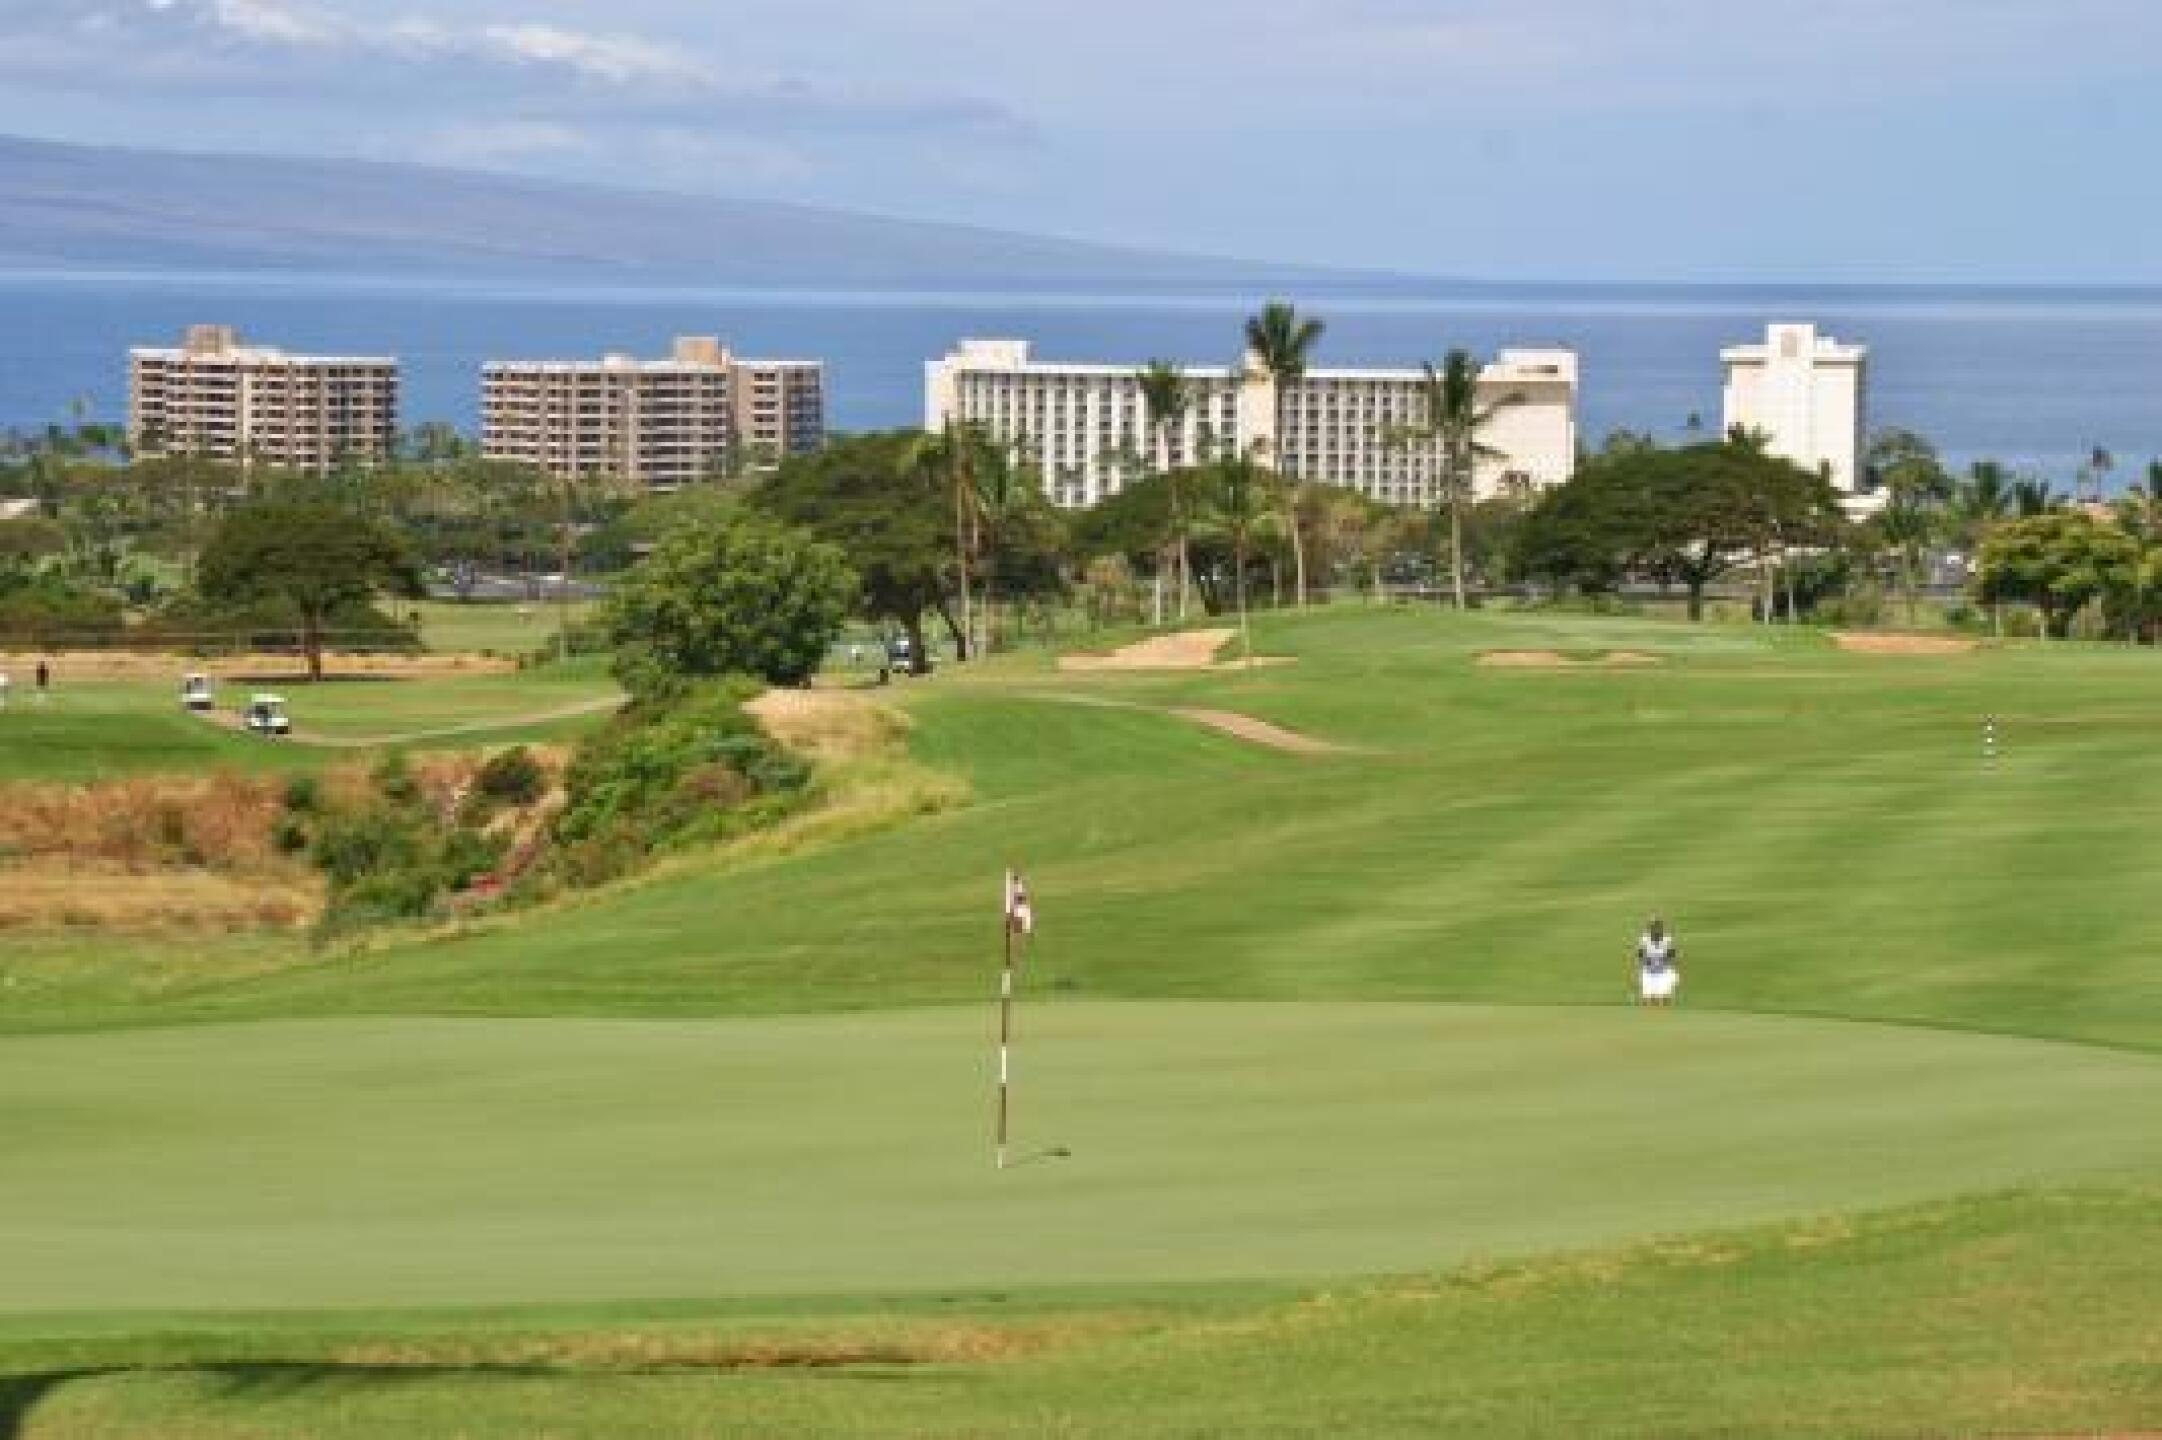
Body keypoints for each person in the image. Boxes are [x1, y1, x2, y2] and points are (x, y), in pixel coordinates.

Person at [1635, 917, 1680, 1007]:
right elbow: (1640, 954)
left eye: (1658, 930)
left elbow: (1672, 954)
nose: (1656, 932)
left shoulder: (1667, 940)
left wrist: (1663, 960)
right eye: (1654, 930)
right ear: (1651, 930)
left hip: (1663, 971)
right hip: (1649, 971)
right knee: (1647, 998)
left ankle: (1664, 1016)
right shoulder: (1645, 940)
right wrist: (1647, 961)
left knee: (1663, 998)